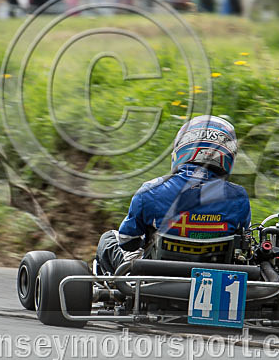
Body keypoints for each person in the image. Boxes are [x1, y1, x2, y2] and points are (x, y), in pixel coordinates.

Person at [95, 115, 251, 275]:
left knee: (108, 239)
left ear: (183, 147)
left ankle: (111, 295)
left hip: (154, 277)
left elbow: (127, 241)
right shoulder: (239, 197)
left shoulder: (151, 189)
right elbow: (243, 244)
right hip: (216, 278)